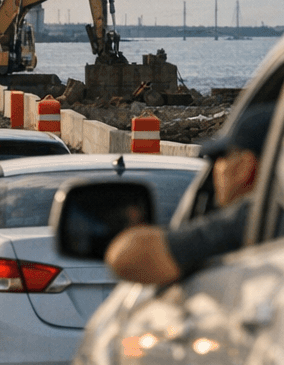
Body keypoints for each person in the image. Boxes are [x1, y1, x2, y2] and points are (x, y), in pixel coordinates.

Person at [105, 103, 275, 286]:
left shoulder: (249, 219)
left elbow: (124, 258)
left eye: (221, 157)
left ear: (245, 167)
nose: (216, 170)